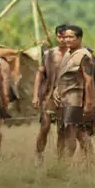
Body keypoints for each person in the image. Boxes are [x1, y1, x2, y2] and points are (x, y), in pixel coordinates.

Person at [50, 25, 95, 158]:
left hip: (75, 97)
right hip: (63, 98)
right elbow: (62, 76)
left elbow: (89, 81)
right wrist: (56, 91)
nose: (67, 40)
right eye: (65, 37)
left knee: (72, 129)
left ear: (79, 38)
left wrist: (89, 103)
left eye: (71, 37)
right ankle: (87, 160)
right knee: (69, 131)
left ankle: (70, 161)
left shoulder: (84, 55)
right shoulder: (68, 54)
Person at [33, 24, 69, 161]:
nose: (63, 40)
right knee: (45, 126)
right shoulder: (49, 54)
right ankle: (39, 153)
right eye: (60, 36)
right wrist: (35, 95)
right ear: (56, 37)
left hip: (67, 95)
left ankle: (60, 160)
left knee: (63, 129)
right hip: (49, 95)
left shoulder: (74, 54)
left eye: (65, 37)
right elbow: (40, 75)